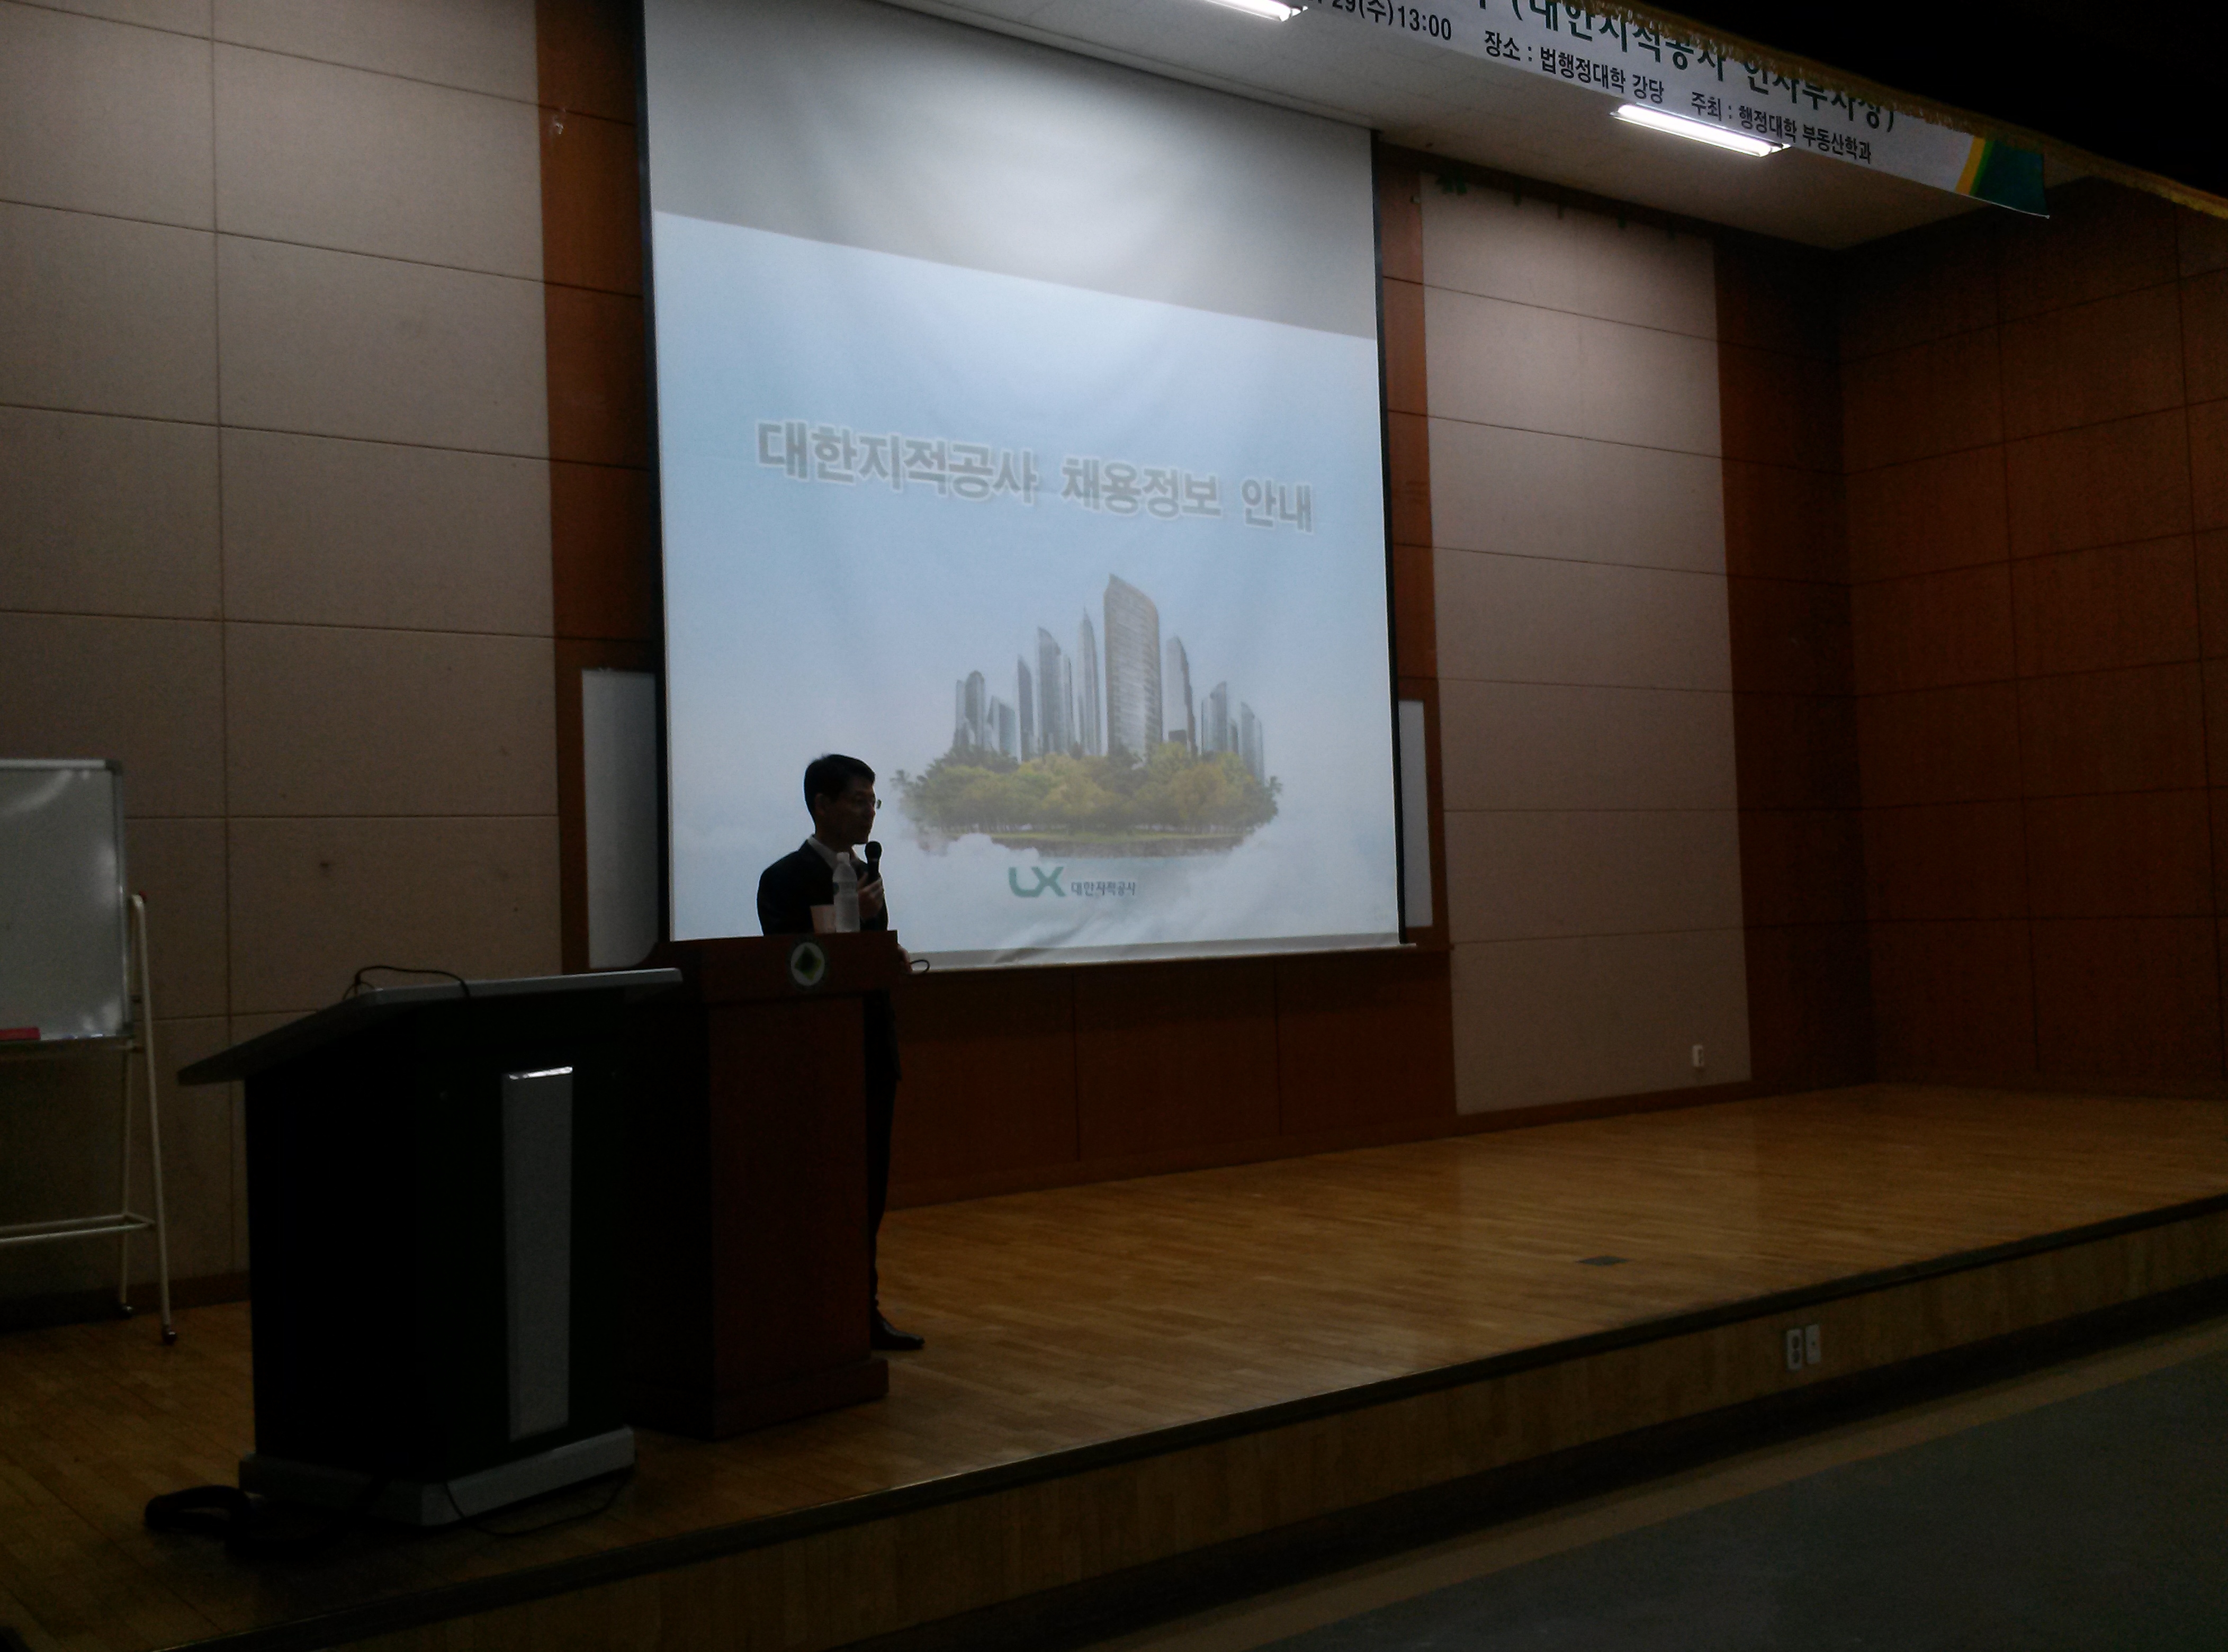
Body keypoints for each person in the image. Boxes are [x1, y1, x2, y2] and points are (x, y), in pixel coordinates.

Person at [756, 753, 923, 1353]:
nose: (869, 812)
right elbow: (794, 965)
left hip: (871, 1049)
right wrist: (856, 919)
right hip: (817, 1060)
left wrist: (886, 956)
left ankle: (862, 1308)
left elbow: (862, 960)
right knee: (822, 1189)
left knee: (870, 1187)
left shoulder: (865, 873)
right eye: (857, 801)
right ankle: (817, 1310)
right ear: (822, 805)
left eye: (873, 802)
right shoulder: (785, 878)